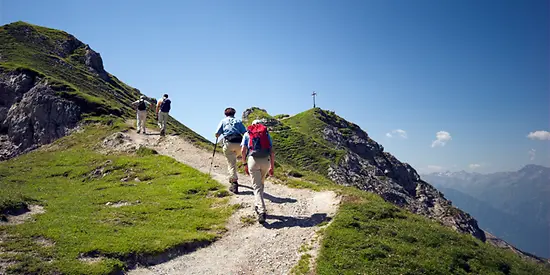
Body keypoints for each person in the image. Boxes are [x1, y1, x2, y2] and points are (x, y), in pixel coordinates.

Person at [241, 119, 275, 224]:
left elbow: (243, 150)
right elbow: (272, 152)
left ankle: (261, 211)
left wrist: (244, 164)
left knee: (257, 186)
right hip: (265, 161)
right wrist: (272, 167)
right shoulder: (266, 134)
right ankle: (258, 204)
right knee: (261, 183)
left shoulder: (247, 134)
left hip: (253, 160)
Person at [215, 107, 247, 194]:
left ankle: (234, 182)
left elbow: (217, 134)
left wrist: (218, 135)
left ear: (225, 114)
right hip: (239, 144)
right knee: (235, 159)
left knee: (231, 163)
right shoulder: (238, 121)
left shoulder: (223, 121)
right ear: (234, 113)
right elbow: (245, 132)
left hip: (229, 143)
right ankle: (233, 175)